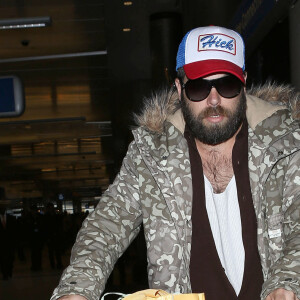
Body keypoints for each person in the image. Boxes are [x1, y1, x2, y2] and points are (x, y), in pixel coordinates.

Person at [51, 26, 300, 300]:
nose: (214, 100)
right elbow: (106, 226)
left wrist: (288, 280)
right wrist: (77, 291)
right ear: (180, 88)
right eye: (198, 87)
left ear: (243, 82)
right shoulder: (151, 156)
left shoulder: (288, 143)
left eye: (227, 84)